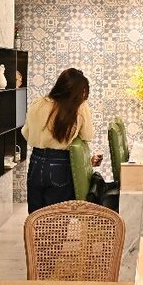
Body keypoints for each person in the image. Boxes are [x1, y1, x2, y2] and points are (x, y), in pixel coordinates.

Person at [22, 68, 102, 213]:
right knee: (58, 219)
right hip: (60, 166)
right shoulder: (79, 107)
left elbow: (26, 133)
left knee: (36, 217)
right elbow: (87, 135)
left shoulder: (37, 103)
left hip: (35, 163)